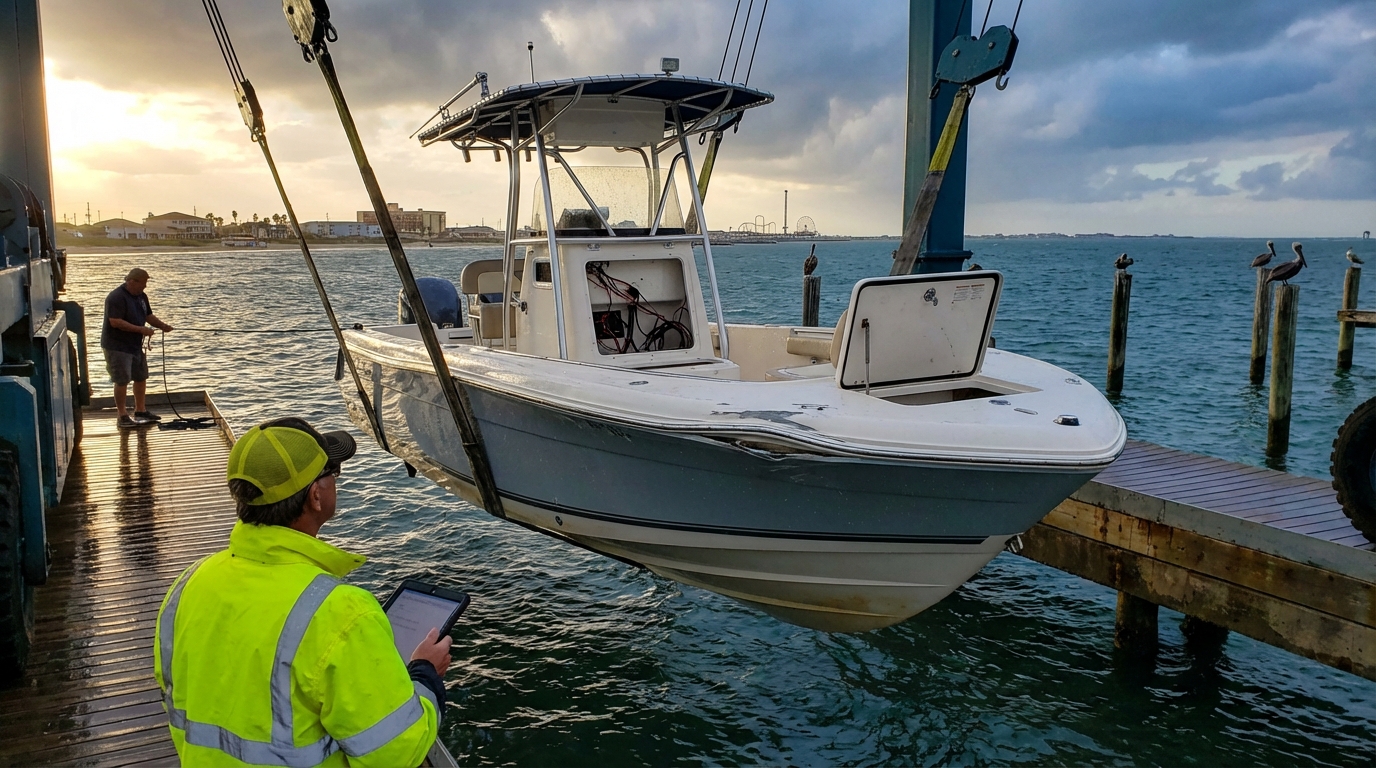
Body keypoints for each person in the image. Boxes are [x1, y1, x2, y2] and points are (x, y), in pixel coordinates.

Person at [154, 417, 452, 766]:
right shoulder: (339, 611)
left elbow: (177, 697)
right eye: (332, 474)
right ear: (315, 495)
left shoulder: (188, 584)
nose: (334, 483)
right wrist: (424, 677)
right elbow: (398, 751)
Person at [101, 267, 174, 428]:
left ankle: (140, 410)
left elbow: (148, 316)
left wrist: (162, 326)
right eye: (143, 282)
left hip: (135, 345)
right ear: (131, 281)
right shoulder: (116, 297)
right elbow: (116, 322)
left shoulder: (141, 296)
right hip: (117, 346)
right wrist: (141, 330)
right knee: (122, 380)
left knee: (141, 377)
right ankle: (122, 415)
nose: (145, 286)